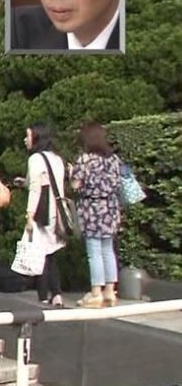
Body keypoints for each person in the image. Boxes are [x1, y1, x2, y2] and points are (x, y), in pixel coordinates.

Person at [71, 121, 122, 308]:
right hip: (110, 207)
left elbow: (75, 185)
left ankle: (96, 293)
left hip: (92, 208)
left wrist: (72, 173)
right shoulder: (114, 159)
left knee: (94, 252)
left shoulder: (85, 160)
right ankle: (110, 291)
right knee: (108, 250)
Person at [23, 123, 67, 307]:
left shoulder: (36, 159)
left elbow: (35, 188)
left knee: (40, 253)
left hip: (42, 211)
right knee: (51, 253)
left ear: (37, 137)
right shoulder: (57, 158)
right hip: (58, 210)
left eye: (28, 136)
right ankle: (56, 294)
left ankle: (42, 296)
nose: (25, 140)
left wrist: (29, 215)